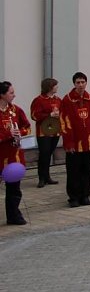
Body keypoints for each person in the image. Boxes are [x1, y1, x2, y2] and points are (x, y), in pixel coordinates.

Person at [60, 72, 90, 208]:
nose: (81, 85)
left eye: (83, 82)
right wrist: (68, 142)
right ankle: (73, 198)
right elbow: (64, 122)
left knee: (86, 170)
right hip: (74, 144)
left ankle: (85, 196)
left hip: (88, 143)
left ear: (86, 83)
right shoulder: (67, 100)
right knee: (73, 172)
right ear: (74, 84)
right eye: (78, 82)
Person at [1, 81, 30, 225]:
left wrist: (20, 132)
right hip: (0, 155)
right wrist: (7, 134)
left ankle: (13, 215)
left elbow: (27, 127)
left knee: (14, 188)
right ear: (2, 95)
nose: (14, 95)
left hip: (14, 156)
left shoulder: (16, 110)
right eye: (11, 93)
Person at [30, 77, 62, 187]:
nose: (57, 87)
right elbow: (34, 115)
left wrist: (59, 115)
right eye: (55, 85)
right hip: (43, 131)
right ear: (49, 87)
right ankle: (41, 178)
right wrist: (49, 115)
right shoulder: (39, 100)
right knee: (44, 153)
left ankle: (48, 176)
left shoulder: (58, 100)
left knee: (49, 153)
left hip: (55, 130)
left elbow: (63, 112)